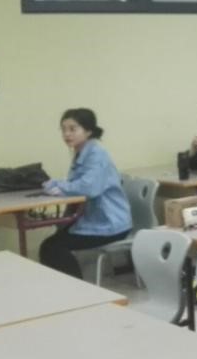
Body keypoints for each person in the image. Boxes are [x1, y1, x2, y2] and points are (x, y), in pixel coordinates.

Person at [39, 108, 130, 279]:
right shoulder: (81, 151)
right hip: (93, 221)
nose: (67, 134)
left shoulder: (96, 154)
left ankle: (76, 288)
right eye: (63, 129)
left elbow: (89, 188)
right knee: (52, 244)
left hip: (109, 224)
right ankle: (66, 286)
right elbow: (76, 184)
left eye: (72, 129)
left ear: (88, 131)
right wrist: (57, 185)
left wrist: (60, 186)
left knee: (52, 247)